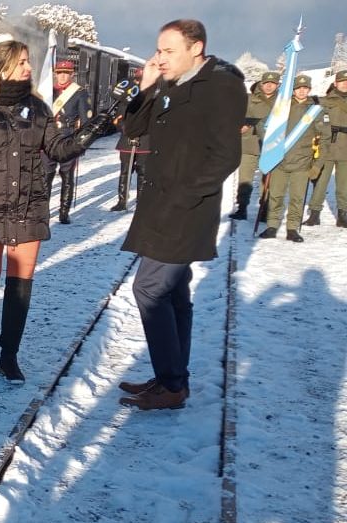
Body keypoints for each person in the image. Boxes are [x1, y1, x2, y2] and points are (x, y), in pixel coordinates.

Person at [0, 39, 109, 384]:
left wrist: (92, 133)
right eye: (22, 62)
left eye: (27, 61)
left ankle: (9, 355)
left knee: (21, 283)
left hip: (28, 206)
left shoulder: (37, 108)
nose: (28, 67)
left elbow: (58, 148)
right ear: (2, 67)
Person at [116, 19, 245, 410]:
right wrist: (147, 86)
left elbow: (227, 154)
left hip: (185, 209)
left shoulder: (221, 85)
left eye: (168, 51)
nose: (160, 57)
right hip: (161, 204)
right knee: (173, 293)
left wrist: (184, 198)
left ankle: (171, 384)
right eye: (158, 50)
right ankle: (172, 379)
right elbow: (134, 129)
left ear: (197, 48)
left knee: (149, 290)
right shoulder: (173, 81)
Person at [257, 75, 320, 243]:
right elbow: (263, 125)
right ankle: (272, 226)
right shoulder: (282, 108)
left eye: (305, 88)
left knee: (297, 198)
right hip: (280, 161)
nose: (302, 90)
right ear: (293, 90)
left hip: (302, 163)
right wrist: (270, 146)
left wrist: (317, 165)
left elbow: (325, 139)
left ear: (309, 90)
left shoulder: (315, 110)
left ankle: (292, 229)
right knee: (276, 195)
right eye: (299, 88)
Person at [44, 58, 93, 224]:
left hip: (67, 138)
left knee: (66, 176)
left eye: (66, 73)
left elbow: (86, 121)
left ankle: (64, 212)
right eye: (59, 73)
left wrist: (81, 144)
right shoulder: (48, 91)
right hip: (49, 138)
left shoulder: (79, 93)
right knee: (46, 175)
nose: (62, 77)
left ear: (71, 75)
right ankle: (43, 212)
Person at [230, 71, 279, 220]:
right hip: (249, 144)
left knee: (269, 180)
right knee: (245, 179)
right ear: (261, 84)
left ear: (277, 85)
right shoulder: (248, 99)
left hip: (271, 145)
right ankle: (242, 208)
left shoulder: (282, 102)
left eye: (273, 83)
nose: (269, 86)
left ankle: (265, 209)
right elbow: (234, 115)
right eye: (266, 83)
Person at [304, 70, 347, 228]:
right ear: (335, 83)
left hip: (346, 150)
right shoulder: (324, 100)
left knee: (344, 185)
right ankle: (314, 214)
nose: (345, 84)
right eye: (342, 81)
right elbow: (304, 103)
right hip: (327, 148)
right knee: (320, 182)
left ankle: (343, 215)